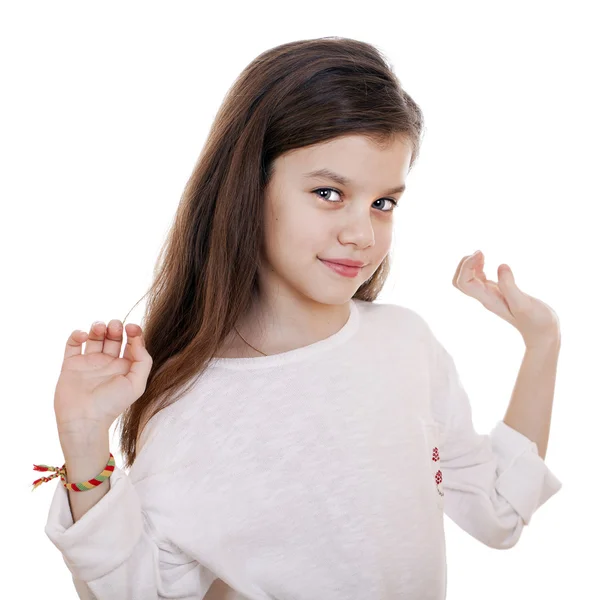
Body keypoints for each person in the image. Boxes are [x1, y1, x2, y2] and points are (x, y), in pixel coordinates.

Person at [39, 36, 562, 600]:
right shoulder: (193, 404)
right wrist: (85, 439)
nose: (362, 233)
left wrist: (544, 342)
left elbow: (498, 515)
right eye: (329, 192)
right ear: (249, 186)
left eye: (383, 203)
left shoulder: (406, 343)